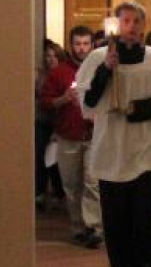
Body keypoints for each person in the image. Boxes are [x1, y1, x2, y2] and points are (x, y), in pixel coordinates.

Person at [75, 2, 151, 267]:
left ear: (143, 26)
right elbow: (87, 101)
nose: (131, 27)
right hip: (112, 147)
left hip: (145, 146)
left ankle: (145, 266)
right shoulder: (98, 57)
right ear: (118, 25)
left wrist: (135, 108)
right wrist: (105, 70)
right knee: (116, 216)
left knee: (143, 214)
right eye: (126, 21)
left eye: (136, 21)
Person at [40, 26, 102, 249]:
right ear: (70, 45)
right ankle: (78, 227)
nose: (82, 48)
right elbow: (45, 101)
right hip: (68, 136)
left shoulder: (99, 69)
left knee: (92, 183)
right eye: (78, 44)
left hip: (93, 135)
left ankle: (94, 227)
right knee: (71, 185)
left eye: (86, 43)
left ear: (92, 45)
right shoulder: (59, 72)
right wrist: (64, 99)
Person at [35, 39, 66, 210]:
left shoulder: (62, 74)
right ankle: (39, 192)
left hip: (57, 121)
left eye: (53, 56)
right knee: (40, 157)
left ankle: (59, 191)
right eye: (47, 56)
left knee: (55, 160)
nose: (50, 59)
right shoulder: (41, 75)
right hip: (42, 120)